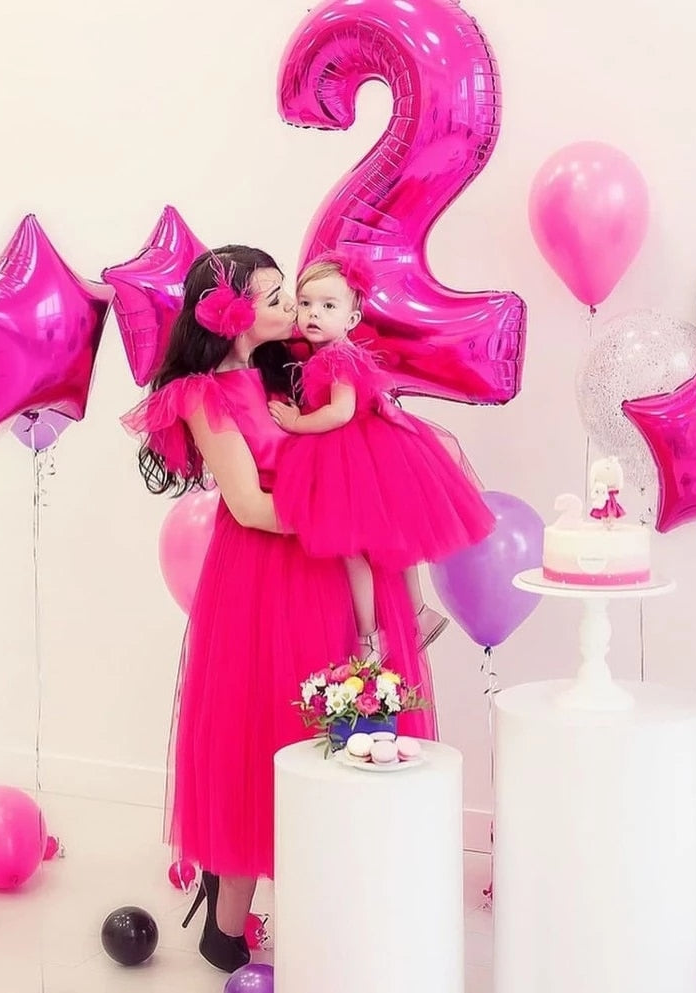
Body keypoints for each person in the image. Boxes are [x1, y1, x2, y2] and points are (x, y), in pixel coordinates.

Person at [121, 246, 436, 974]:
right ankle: (227, 921)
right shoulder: (203, 394)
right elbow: (250, 506)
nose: (292, 307)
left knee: (337, 740)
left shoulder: (287, 369)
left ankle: (335, 916)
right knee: (264, 734)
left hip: (321, 568)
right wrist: (347, 511)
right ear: (230, 316)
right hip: (265, 573)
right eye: (274, 298)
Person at [270, 251, 496, 662]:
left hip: (351, 453)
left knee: (352, 549)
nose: (313, 313)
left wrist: (296, 422)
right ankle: (418, 612)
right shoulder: (331, 352)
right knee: (393, 537)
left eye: (328, 306)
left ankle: (370, 636)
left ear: (352, 319)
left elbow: (340, 412)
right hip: (369, 450)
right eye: (305, 303)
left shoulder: (337, 357)